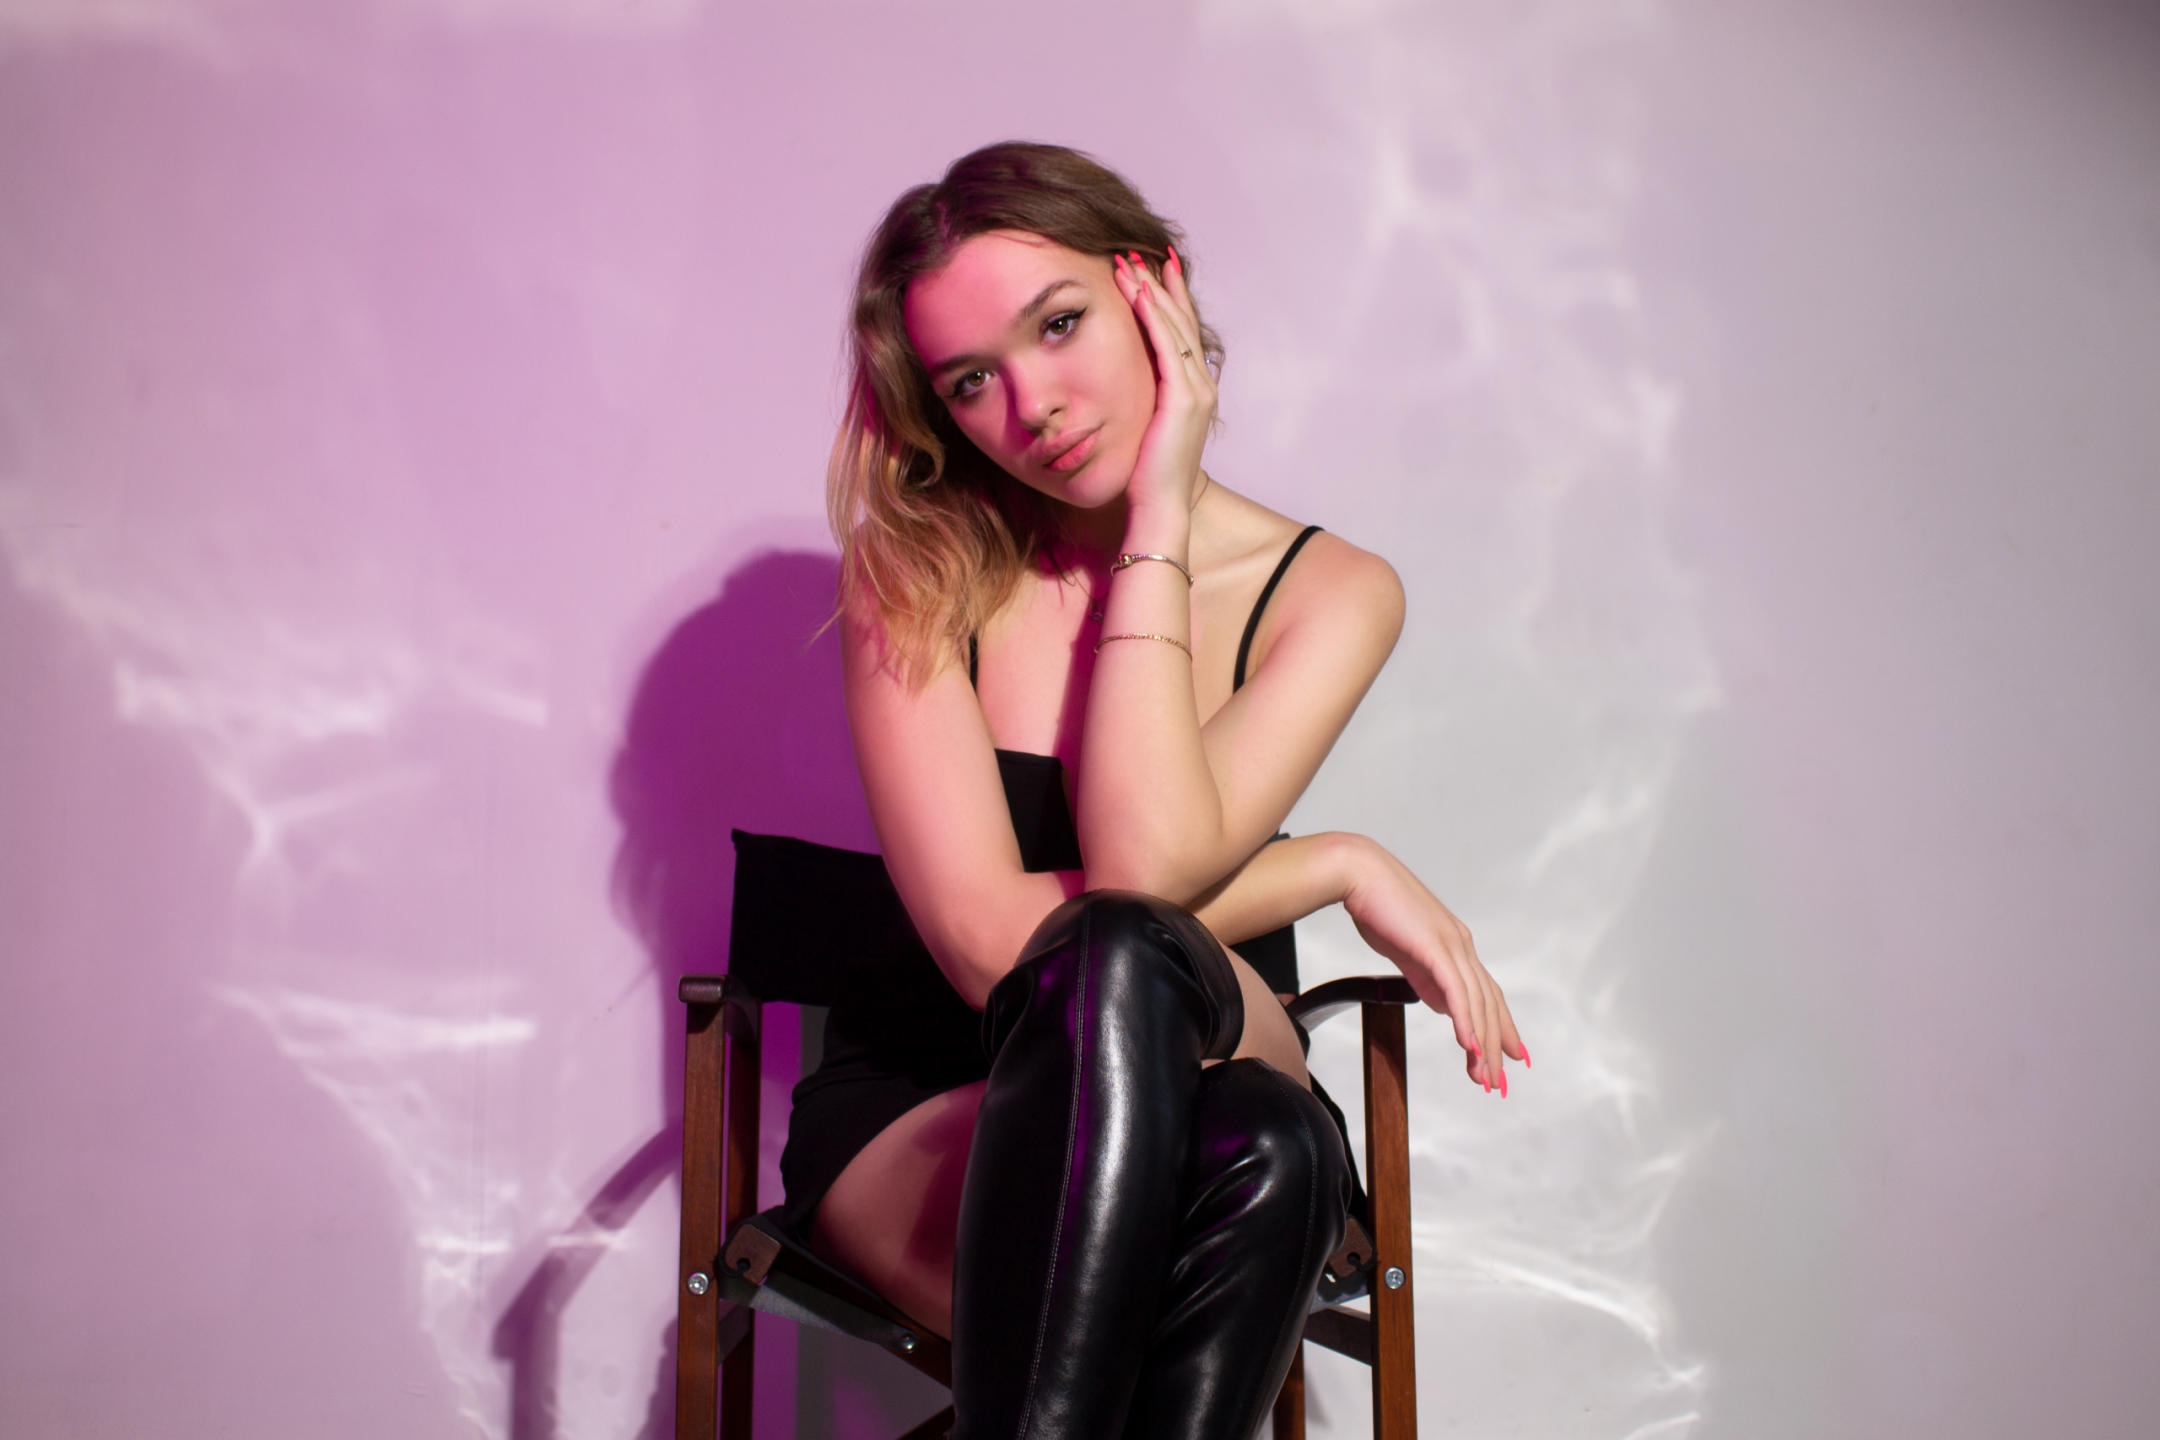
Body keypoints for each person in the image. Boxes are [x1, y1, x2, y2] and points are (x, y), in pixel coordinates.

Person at [764, 141, 1526, 1437]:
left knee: (1183, 1030)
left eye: (1059, 324)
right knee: (1263, 1142)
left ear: (1151, 286)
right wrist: (1329, 865)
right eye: (971, 381)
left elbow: (1142, 869)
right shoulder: (916, 575)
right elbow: (999, 951)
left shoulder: (1333, 593)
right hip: (936, 1094)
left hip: (1215, 1036)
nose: (1035, 406)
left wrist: (1158, 517)